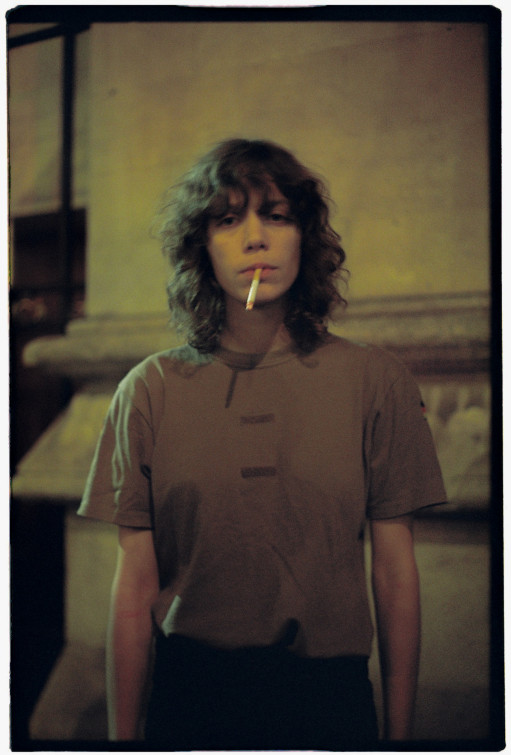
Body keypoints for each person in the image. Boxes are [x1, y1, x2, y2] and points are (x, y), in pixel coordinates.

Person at [78, 138, 446, 748]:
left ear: (304, 235)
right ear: (202, 244)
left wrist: (400, 738)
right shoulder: (150, 389)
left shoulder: (374, 380)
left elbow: (394, 570)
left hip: (328, 703)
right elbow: (135, 584)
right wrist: (123, 740)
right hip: (191, 700)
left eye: (276, 215)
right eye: (228, 220)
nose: (256, 239)